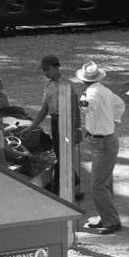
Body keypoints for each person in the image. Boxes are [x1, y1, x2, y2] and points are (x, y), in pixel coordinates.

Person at [75, 61, 125, 235]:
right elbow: (120, 105)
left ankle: (111, 221)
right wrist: (112, 121)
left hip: (102, 143)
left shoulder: (91, 93)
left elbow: (87, 106)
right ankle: (107, 217)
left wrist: (81, 102)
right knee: (104, 182)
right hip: (106, 140)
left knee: (97, 185)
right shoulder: (105, 90)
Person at [28, 54, 81, 199]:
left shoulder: (66, 84)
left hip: (67, 120)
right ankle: (73, 186)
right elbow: (44, 109)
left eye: (47, 70)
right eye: (44, 70)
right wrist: (32, 126)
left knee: (64, 156)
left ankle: (60, 188)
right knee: (60, 155)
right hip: (55, 121)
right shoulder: (48, 85)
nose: (45, 73)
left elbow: (75, 108)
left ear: (56, 68)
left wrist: (77, 128)